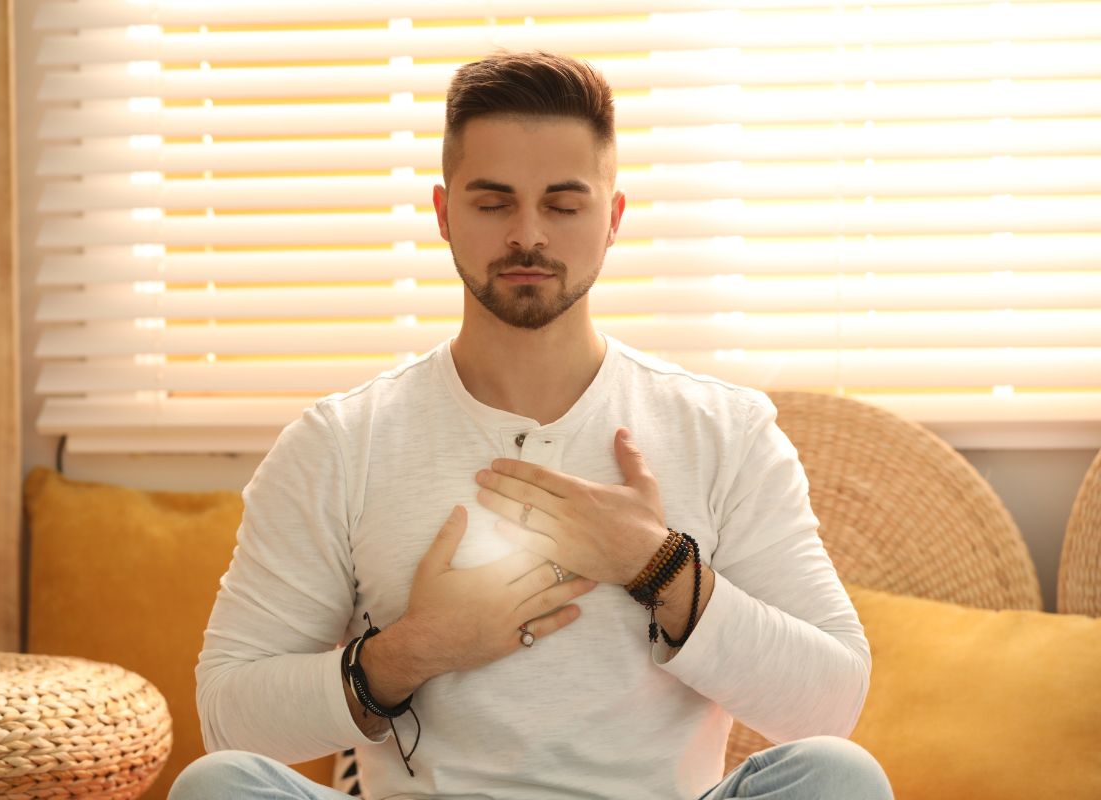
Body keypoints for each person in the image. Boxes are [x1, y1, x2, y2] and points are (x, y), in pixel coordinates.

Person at [168, 51, 893, 800]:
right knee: (218, 785)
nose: (528, 235)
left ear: (612, 219)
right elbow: (230, 716)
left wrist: (658, 566)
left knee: (839, 778)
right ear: (445, 213)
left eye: (562, 204)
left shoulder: (727, 431)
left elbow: (830, 703)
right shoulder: (340, 443)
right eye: (493, 203)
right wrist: (413, 650)